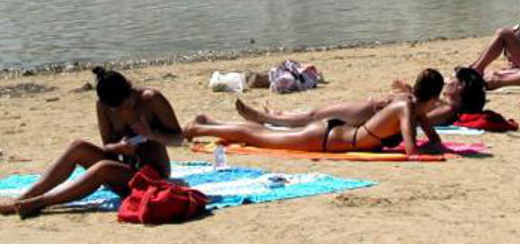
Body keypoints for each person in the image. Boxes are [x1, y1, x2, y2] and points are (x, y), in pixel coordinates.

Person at [0, 67, 182, 219]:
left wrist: (153, 135)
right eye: (116, 109)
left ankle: (39, 203)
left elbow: (178, 138)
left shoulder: (151, 99)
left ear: (130, 90)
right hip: (123, 171)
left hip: (152, 176)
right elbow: (107, 147)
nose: (122, 112)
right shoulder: (103, 106)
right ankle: (23, 198)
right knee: (78, 147)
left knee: (103, 168)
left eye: (126, 105)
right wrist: (119, 148)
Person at [185, 69, 445, 157]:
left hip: (336, 133)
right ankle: (199, 128)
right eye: (438, 100)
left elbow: (434, 141)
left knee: (262, 134)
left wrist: (434, 144)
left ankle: (209, 122)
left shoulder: (412, 106)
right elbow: (414, 152)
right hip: (329, 138)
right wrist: (432, 148)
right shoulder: (408, 108)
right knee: (258, 136)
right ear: (432, 98)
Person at [233, 66, 485, 130]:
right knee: (318, 114)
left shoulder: (447, 110)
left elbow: (417, 118)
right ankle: (278, 116)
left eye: (455, 81)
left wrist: (402, 100)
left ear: (461, 91)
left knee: (316, 115)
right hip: (375, 112)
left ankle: (265, 118)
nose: (450, 81)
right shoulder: (447, 107)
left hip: (373, 115)